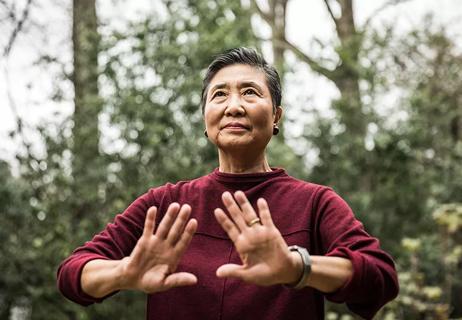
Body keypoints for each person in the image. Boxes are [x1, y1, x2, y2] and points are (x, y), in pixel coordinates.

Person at [57, 47, 399, 319]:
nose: (234, 106)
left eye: (250, 93)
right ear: (205, 119)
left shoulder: (315, 203)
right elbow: (73, 273)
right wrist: (123, 273)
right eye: (219, 95)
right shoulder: (164, 204)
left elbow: (380, 278)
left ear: (276, 116)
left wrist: (297, 266)